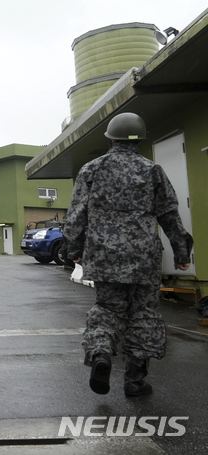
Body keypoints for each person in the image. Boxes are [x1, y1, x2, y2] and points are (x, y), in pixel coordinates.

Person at [63, 112, 193, 398]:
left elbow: (76, 216)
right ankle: (135, 380)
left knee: (108, 309)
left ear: (110, 138)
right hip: (144, 257)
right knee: (143, 313)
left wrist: (74, 250)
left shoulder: (92, 169)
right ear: (141, 139)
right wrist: (182, 252)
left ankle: (101, 354)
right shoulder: (152, 170)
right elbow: (170, 213)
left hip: (104, 256)